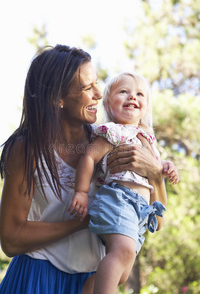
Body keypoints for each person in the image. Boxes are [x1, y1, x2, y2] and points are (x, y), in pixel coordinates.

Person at [0, 45, 178, 294]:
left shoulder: (112, 141)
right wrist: (83, 221)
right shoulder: (27, 150)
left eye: (97, 83)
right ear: (57, 98)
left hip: (92, 283)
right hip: (38, 278)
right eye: (86, 87)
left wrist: (157, 176)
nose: (98, 93)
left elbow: (155, 221)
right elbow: (11, 238)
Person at [68, 72, 178, 294]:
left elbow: (154, 164)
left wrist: (166, 166)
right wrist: (81, 192)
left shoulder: (146, 138)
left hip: (141, 210)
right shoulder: (114, 131)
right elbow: (89, 157)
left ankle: (89, 289)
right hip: (119, 200)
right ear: (108, 102)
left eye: (139, 94)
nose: (132, 97)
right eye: (123, 92)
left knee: (123, 272)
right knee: (123, 253)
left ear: (146, 106)